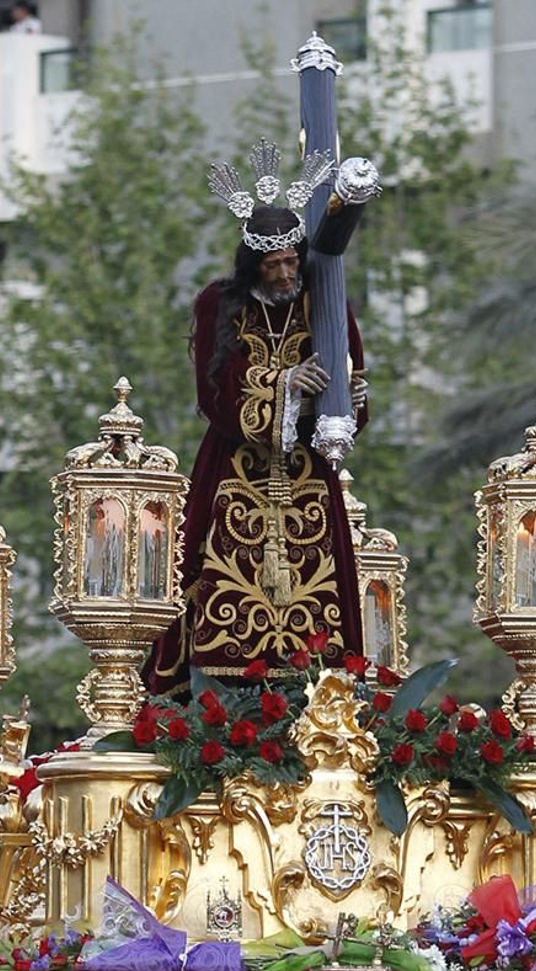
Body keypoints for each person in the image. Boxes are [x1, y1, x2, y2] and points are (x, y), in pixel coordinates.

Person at [146, 139, 375, 689]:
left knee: (319, 599)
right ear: (253, 263)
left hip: (307, 479)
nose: (284, 273)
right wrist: (284, 384)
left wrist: (345, 400)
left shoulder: (324, 298)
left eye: (292, 261)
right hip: (235, 468)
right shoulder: (217, 304)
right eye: (273, 265)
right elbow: (213, 393)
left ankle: (322, 700)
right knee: (210, 578)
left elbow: (352, 380)